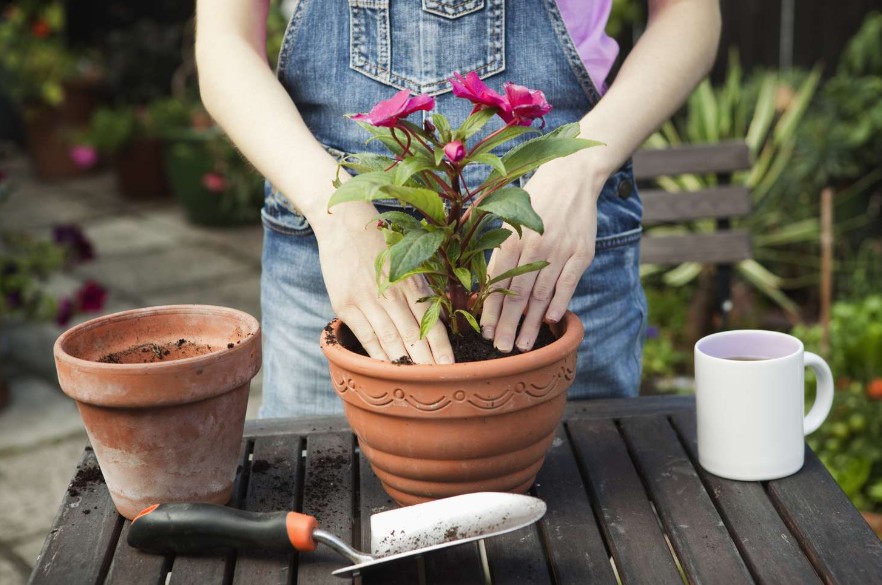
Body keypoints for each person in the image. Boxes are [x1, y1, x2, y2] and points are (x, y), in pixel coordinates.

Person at [195, 0, 721, 418]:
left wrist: (580, 166)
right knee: (339, 506)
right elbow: (226, 40)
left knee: (579, 516)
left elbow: (689, 13)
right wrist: (331, 207)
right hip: (340, 254)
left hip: (554, 248)